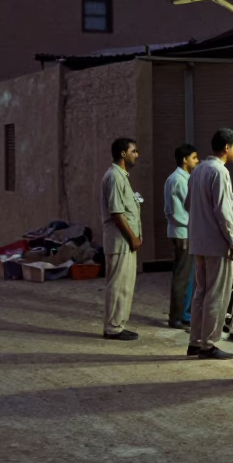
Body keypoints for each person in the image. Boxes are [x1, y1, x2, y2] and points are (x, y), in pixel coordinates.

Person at [186, 128, 233, 360]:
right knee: (216, 295)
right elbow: (223, 210)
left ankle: (195, 341)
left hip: (199, 241)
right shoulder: (219, 171)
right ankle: (208, 344)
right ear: (226, 148)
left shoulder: (198, 170)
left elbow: (189, 204)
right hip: (216, 242)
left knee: (200, 292)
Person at [101, 137, 142, 341]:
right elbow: (117, 213)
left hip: (125, 242)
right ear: (123, 154)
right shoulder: (114, 177)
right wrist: (132, 237)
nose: (136, 155)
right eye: (133, 151)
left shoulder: (121, 176)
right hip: (120, 241)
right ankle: (113, 327)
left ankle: (118, 324)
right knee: (117, 286)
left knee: (124, 286)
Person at [164, 143, 199, 329]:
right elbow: (190, 207)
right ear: (185, 160)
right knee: (182, 276)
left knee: (187, 275)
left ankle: (184, 314)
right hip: (183, 232)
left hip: (183, 231)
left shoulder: (179, 178)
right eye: (194, 158)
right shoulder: (179, 180)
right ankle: (176, 317)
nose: (197, 161)